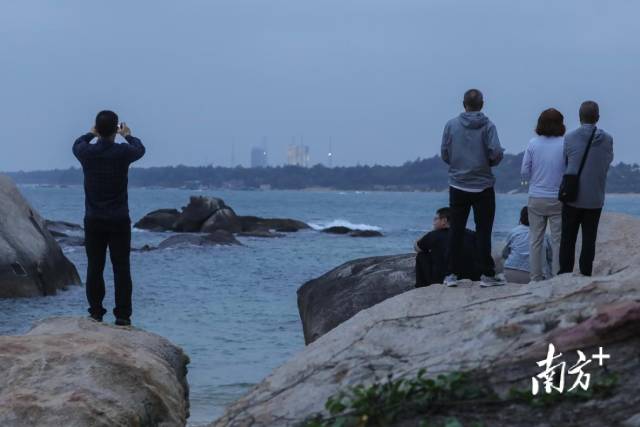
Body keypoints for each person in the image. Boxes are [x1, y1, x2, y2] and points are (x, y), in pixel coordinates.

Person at [73, 110, 146, 326]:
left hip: (94, 218)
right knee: (121, 268)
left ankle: (96, 313)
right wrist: (128, 135)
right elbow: (140, 149)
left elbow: (77, 144)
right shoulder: (122, 152)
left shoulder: (87, 152)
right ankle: (122, 316)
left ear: (97, 128)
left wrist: (90, 133)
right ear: (116, 129)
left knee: (95, 266)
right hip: (119, 219)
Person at [440, 89, 506, 287]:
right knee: (484, 231)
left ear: (463, 104)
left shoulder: (451, 125)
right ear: (482, 104)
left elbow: (445, 153)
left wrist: (457, 164)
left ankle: (451, 274)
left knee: (455, 231)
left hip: (458, 184)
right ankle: (486, 274)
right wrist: (488, 163)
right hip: (483, 185)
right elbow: (495, 152)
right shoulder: (489, 126)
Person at [558, 101, 613, 276]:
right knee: (589, 239)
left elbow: (566, 163)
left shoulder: (569, 138)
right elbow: (607, 162)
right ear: (597, 117)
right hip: (595, 197)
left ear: (579, 117)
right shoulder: (608, 139)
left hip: (573, 195)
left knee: (568, 238)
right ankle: (585, 273)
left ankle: (565, 273)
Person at [521, 108, 565, 281]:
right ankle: (557, 276)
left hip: (536, 196)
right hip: (558, 198)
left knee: (535, 240)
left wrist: (529, 182)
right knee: (557, 240)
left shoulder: (533, 143)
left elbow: (524, 170)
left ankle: (535, 277)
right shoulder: (565, 143)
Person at [414, 207, 479, 287]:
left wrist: (430, 234)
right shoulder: (470, 234)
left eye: (436, 219)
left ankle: (421, 287)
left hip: (441, 279)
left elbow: (417, 248)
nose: (434, 222)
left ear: (444, 221)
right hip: (471, 277)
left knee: (421, 256)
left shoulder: (434, 235)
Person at [502, 207, 552, 284]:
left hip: (509, 273)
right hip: (532, 276)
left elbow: (504, 254)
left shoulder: (513, 232)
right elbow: (550, 258)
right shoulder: (544, 235)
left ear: (521, 217)